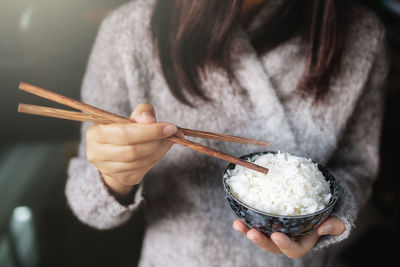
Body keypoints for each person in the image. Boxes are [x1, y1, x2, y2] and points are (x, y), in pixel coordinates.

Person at [66, 0, 389, 266]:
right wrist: (115, 176)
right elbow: (88, 205)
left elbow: (357, 166)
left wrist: (329, 216)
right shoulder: (130, 31)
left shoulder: (362, 33)